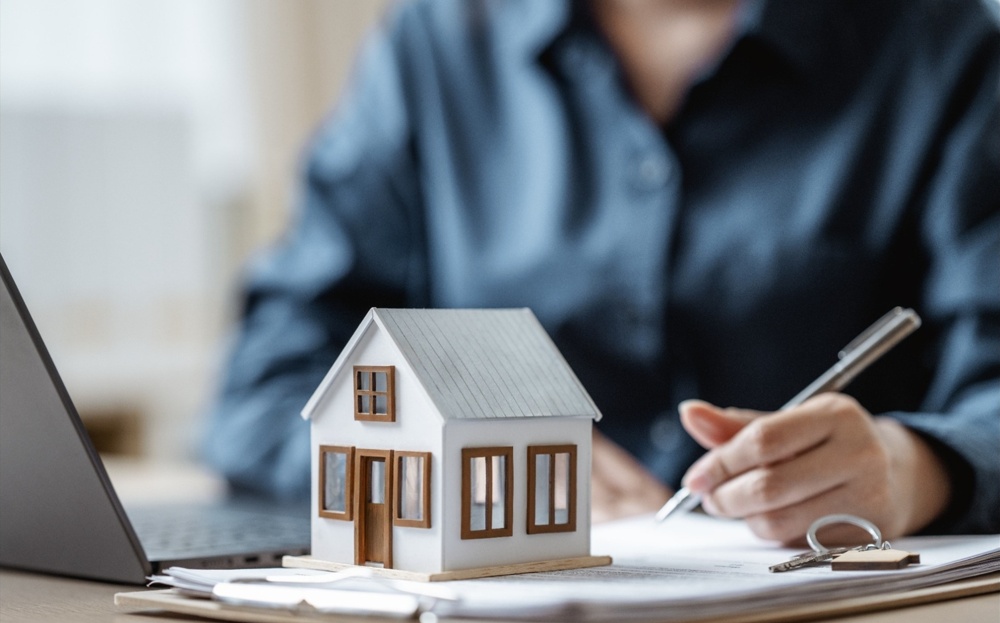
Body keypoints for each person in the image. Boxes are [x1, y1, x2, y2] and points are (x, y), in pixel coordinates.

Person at [203, 0, 1000, 543]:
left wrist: (913, 467)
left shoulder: (943, 47)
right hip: (485, 614)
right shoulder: (437, 46)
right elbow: (267, 382)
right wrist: (431, 471)